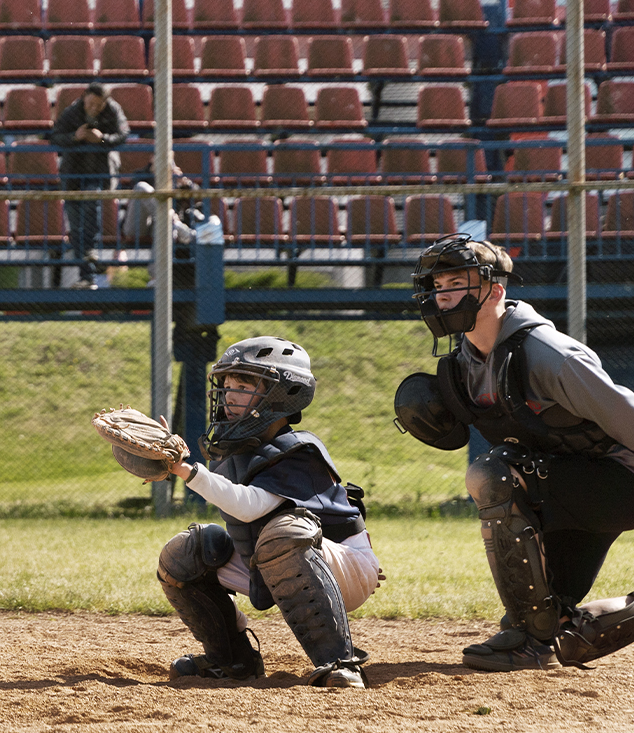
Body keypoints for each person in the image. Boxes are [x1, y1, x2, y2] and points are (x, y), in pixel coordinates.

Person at [396, 234, 634, 671]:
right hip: (578, 484)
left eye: (456, 284)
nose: (442, 296)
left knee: (497, 474)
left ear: (496, 291)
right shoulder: (466, 362)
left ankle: (530, 639)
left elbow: (627, 415)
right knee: (549, 624)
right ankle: (540, 635)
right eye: (437, 286)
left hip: (622, 480)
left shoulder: (549, 354)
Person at [151, 336, 382, 688]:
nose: (229, 395)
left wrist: (187, 471)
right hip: (272, 560)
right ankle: (232, 661)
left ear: (283, 395)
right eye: (226, 385)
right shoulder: (236, 448)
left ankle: (339, 663)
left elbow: (249, 506)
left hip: (343, 566)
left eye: (243, 385)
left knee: (283, 533)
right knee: (184, 554)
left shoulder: (297, 451)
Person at [51, 81, 128, 289]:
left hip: (97, 172)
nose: (94, 108)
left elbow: (123, 135)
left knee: (91, 204)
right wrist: (74, 137)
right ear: (84, 97)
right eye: (91, 103)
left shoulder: (113, 110)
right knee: (75, 227)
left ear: (105, 103)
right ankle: (88, 274)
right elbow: (55, 136)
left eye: (99, 105)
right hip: (72, 174)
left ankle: (91, 256)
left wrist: (102, 139)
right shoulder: (72, 111)